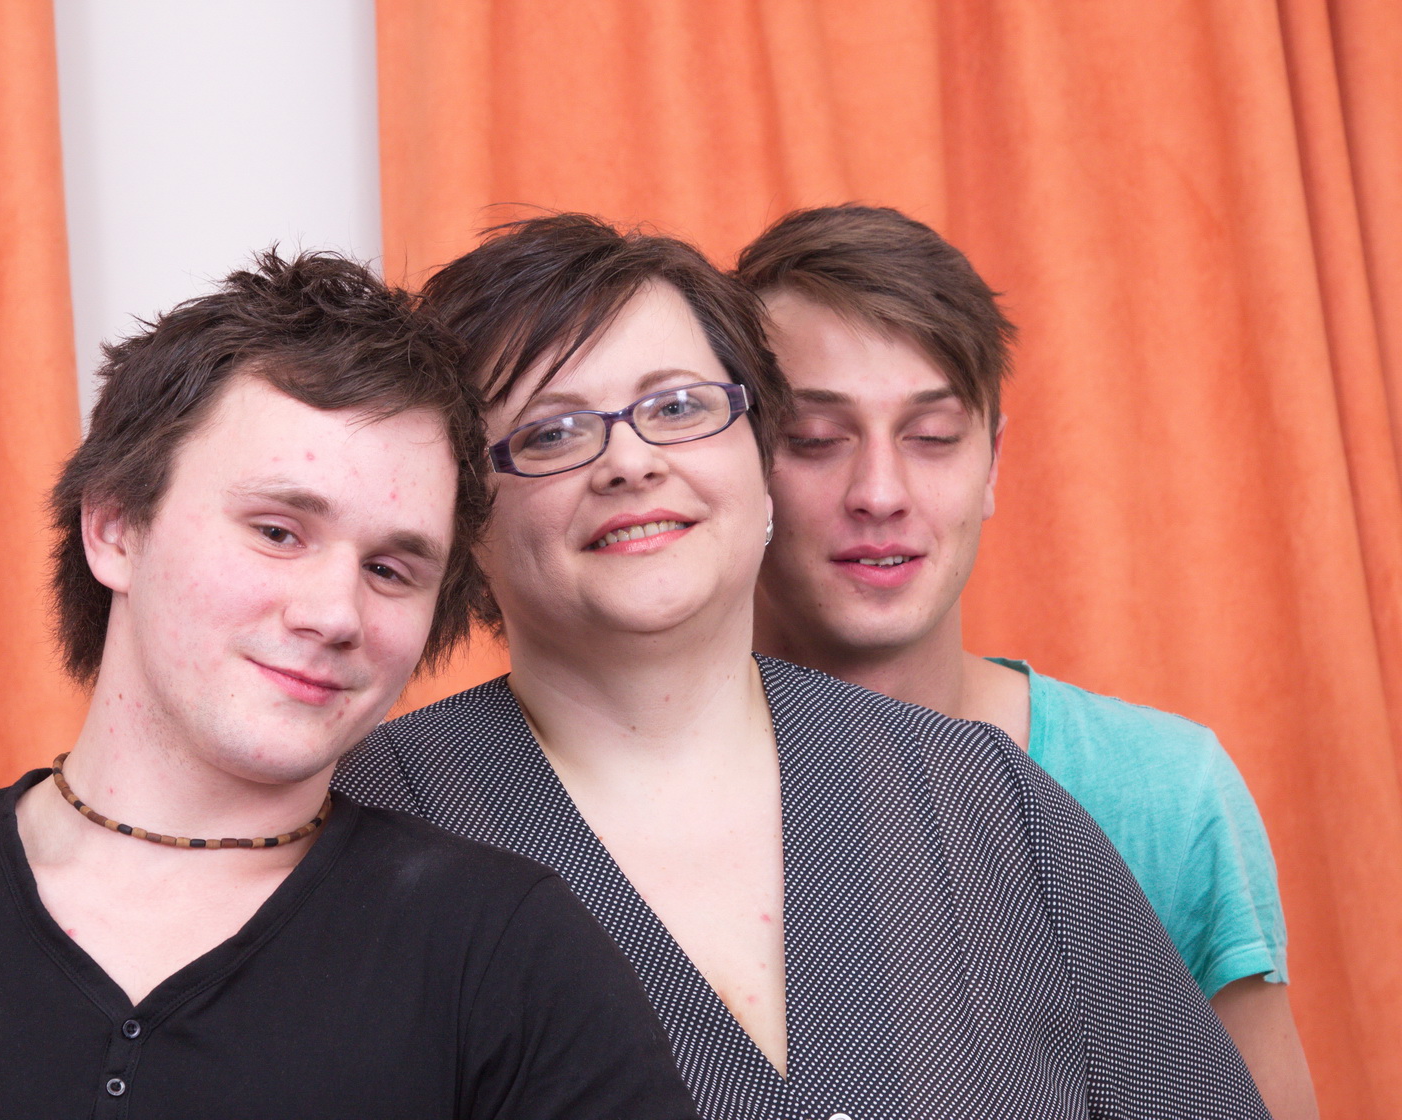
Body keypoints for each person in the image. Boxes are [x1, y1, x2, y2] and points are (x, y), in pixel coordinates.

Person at [0, 251, 701, 1120]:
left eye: (392, 568)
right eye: (278, 531)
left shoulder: (510, 955)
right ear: (115, 526)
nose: (335, 612)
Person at [335, 214, 1271, 1120]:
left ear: (760, 457)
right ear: (462, 513)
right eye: (552, 432)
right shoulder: (362, 837)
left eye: (678, 408)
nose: (630, 463)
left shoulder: (993, 802)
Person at [736, 203, 1319, 1119]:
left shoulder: (1162, 793)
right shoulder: (633, 792)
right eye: (814, 439)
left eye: (933, 437)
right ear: (737, 468)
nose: (880, 493)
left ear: (994, 463)